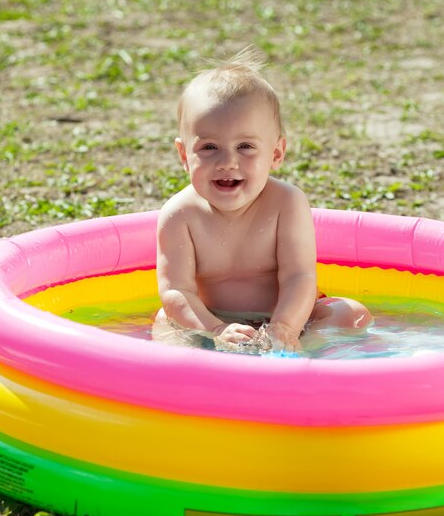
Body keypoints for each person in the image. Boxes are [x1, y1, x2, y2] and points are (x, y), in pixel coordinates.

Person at [154, 47, 372, 352]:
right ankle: (189, 373)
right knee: (166, 320)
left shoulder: (286, 203)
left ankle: (310, 357)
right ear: (183, 155)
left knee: (351, 314)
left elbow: (299, 277)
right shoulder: (180, 214)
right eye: (209, 148)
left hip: (292, 318)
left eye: (245, 146)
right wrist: (215, 329)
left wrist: (285, 328)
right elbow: (177, 291)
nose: (227, 162)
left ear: (276, 153)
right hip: (214, 320)